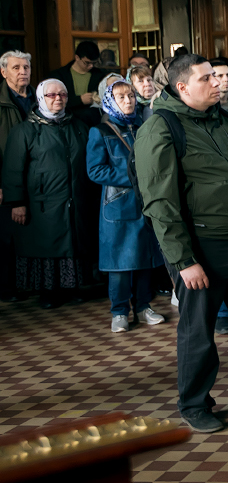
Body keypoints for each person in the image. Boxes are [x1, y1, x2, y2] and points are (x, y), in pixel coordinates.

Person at [136, 53, 228, 433]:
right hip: (201, 248)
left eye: (217, 78)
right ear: (182, 86)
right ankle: (195, 402)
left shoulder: (224, 121)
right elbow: (160, 204)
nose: (217, 84)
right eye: (206, 79)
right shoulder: (161, 128)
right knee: (199, 331)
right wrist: (184, 261)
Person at [2, 80, 96, 308]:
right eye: (52, 95)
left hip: (74, 199)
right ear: (41, 98)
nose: (58, 98)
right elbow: (13, 169)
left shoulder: (77, 125)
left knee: (72, 242)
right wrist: (17, 203)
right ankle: (48, 293)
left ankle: (72, 287)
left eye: (63, 94)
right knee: (46, 246)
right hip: (41, 203)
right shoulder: (25, 130)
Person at [86, 75, 166, 331]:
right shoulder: (100, 131)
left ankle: (143, 306)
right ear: (110, 101)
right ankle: (119, 311)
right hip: (118, 206)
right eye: (121, 97)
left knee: (145, 259)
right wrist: (133, 177)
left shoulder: (142, 126)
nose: (128, 101)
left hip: (144, 203)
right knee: (119, 263)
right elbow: (95, 171)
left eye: (131, 96)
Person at [0, 50, 33, 301]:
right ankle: (8, 288)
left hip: (36, 181)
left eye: (26, 67)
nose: (23, 72)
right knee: (7, 238)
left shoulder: (39, 98)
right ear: (3, 72)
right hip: (6, 181)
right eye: (16, 68)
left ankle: (30, 284)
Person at [50, 40, 109, 125]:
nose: (91, 66)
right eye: (87, 63)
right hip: (66, 122)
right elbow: (52, 100)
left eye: (94, 63)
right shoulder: (59, 75)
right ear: (77, 57)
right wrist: (80, 100)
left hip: (92, 122)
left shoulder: (99, 75)